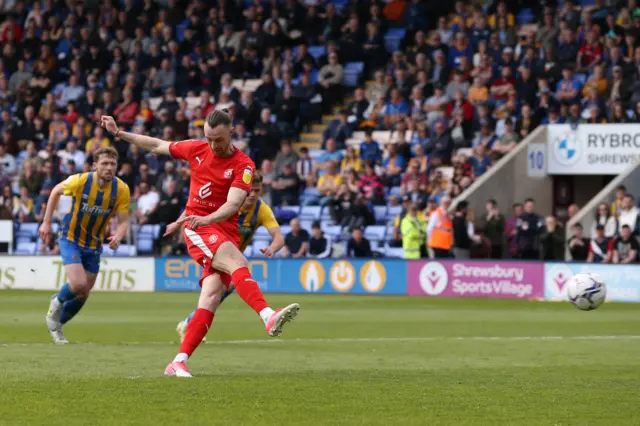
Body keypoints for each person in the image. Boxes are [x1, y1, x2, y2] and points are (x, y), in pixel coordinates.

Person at [99, 111, 299, 378]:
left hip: (221, 228)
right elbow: (157, 144)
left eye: (218, 139)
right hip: (198, 228)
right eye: (208, 138)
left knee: (212, 297)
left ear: (231, 132)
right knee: (238, 262)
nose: (213, 144)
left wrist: (206, 218)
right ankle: (267, 315)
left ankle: (178, 362)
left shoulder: (244, 165)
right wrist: (119, 133)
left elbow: (231, 206)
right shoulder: (197, 149)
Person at [174, 173, 285, 343]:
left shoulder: (261, 209)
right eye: (250, 190)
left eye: (257, 190)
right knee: (218, 291)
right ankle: (190, 327)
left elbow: (279, 237)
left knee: (217, 293)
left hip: (232, 258)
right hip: (213, 248)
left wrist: (272, 248)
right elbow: (195, 208)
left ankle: (189, 324)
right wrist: (179, 223)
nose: (253, 194)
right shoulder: (229, 201)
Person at [40, 147, 131, 344]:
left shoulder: (121, 189)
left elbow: (124, 221)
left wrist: (119, 235)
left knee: (83, 294)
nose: (108, 168)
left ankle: (57, 325)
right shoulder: (80, 180)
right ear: (95, 165)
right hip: (70, 237)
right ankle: (56, 301)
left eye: (112, 164)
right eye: (104, 164)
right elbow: (56, 191)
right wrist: (46, 222)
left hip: (94, 244)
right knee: (78, 284)